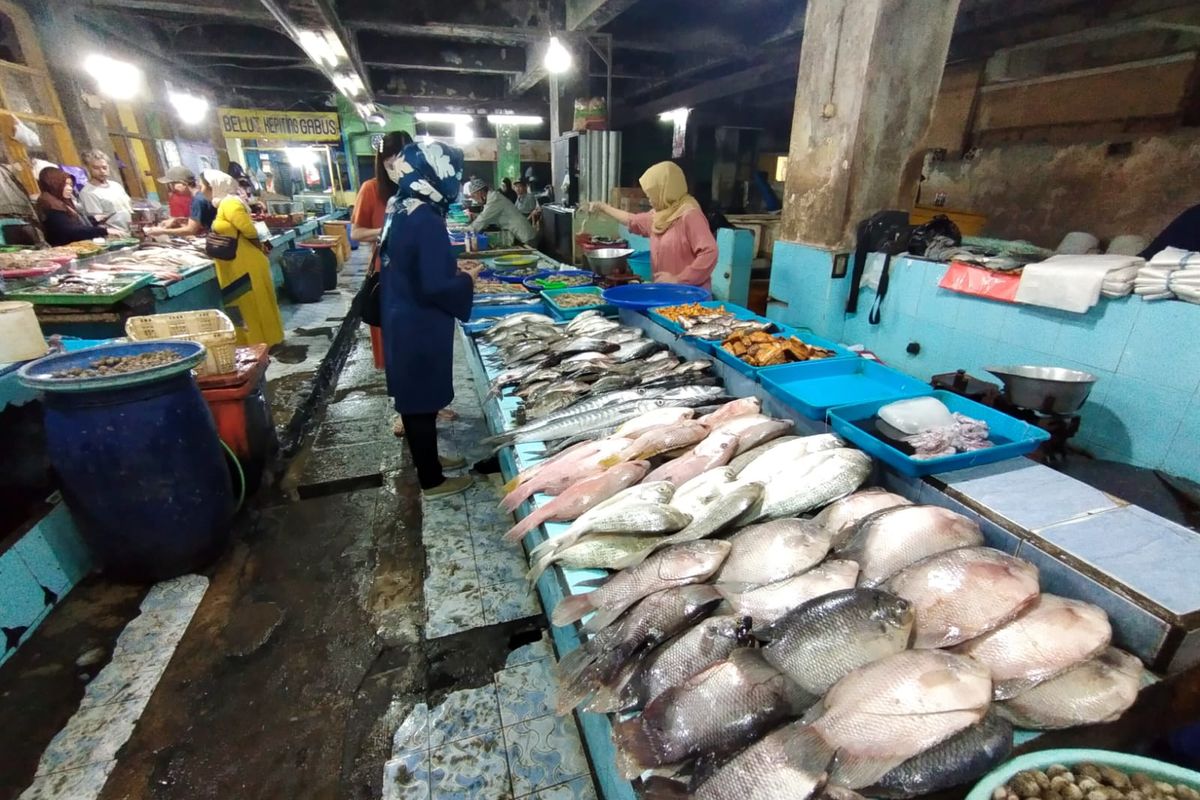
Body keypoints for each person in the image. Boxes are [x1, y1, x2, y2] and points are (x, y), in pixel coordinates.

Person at [380, 141, 481, 499]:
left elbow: (414, 265)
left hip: (400, 314)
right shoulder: (426, 219)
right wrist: (467, 278)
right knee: (420, 401)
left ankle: (429, 460)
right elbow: (437, 284)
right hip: (419, 322)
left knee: (415, 399)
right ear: (437, 175)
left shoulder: (400, 206)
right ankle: (432, 480)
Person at [587, 161, 717, 289]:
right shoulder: (659, 215)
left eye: (652, 195)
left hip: (689, 297)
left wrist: (680, 279)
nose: (649, 200)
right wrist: (602, 207)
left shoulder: (690, 215)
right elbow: (632, 220)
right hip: (665, 293)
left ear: (664, 191)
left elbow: (710, 252)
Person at [352, 130, 412, 371]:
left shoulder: (416, 188)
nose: (399, 170)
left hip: (415, 277)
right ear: (382, 162)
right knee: (390, 346)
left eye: (405, 162)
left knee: (416, 342)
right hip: (386, 278)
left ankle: (428, 406)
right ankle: (401, 405)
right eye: (391, 164)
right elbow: (356, 233)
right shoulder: (371, 189)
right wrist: (386, 231)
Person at [204, 170, 284, 347]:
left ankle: (261, 342)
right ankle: (249, 341)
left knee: (252, 303)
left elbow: (250, 230)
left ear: (215, 186)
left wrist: (260, 246)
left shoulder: (230, 204)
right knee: (240, 304)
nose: (202, 189)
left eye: (205, 185)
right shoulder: (223, 205)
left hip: (245, 263)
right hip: (234, 265)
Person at [35, 167, 107, 246]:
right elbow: (69, 230)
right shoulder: (50, 204)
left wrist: (94, 219)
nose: (70, 189)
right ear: (54, 184)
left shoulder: (60, 201)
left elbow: (72, 221)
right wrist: (103, 231)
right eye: (65, 185)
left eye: (70, 185)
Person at [144, 166, 216, 238]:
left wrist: (161, 231)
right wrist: (177, 220)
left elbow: (191, 230)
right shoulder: (200, 196)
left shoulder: (198, 200)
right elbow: (199, 219)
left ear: (183, 184)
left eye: (172, 184)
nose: (171, 188)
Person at [465, 178, 537, 245]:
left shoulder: (494, 199)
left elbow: (483, 219)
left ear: (480, 192)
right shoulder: (491, 198)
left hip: (525, 236)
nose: (474, 199)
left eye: (474, 195)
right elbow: (487, 217)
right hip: (519, 234)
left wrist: (463, 231)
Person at [78, 149, 132, 233]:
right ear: (88, 168)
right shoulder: (88, 193)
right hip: (114, 237)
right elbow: (97, 222)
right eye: (96, 168)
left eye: (104, 167)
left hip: (131, 231)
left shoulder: (116, 185)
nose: (102, 171)